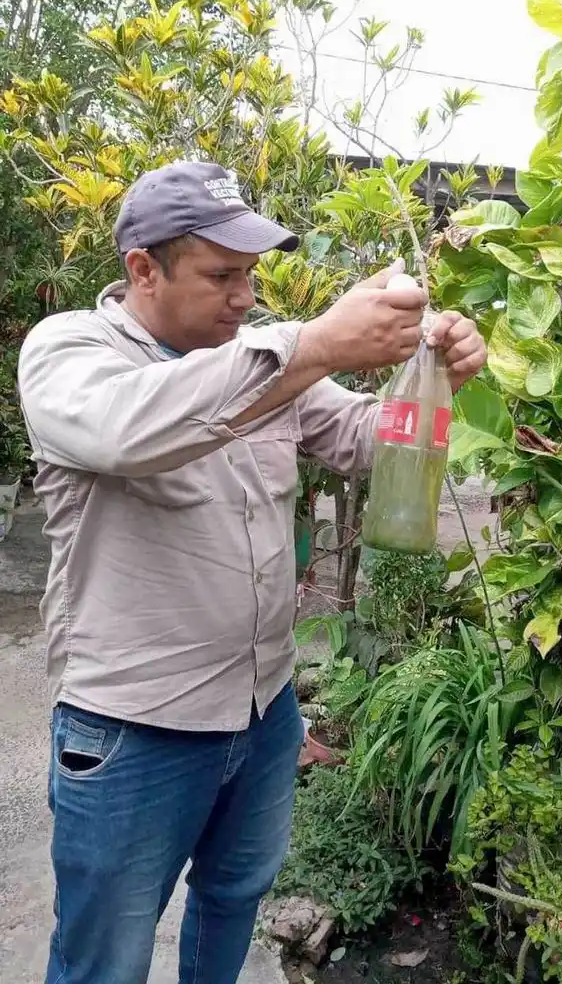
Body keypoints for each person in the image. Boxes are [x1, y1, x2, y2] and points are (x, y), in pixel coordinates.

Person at [17, 160, 488, 984]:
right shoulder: (68, 355)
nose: (244, 297)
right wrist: (311, 342)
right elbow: (130, 432)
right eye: (222, 275)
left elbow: (362, 438)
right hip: (135, 727)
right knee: (106, 959)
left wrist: (433, 375)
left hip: (263, 711)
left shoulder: (262, 358)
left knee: (234, 895)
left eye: (252, 276)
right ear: (142, 269)